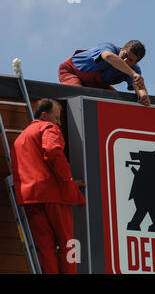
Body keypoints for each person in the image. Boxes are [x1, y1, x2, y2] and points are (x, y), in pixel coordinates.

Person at [10, 99, 86, 274]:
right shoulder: (48, 128)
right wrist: (68, 181)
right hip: (54, 196)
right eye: (57, 118)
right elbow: (53, 152)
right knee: (69, 244)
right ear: (44, 116)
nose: (59, 123)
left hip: (31, 199)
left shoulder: (20, 139)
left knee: (45, 247)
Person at [58, 40, 150, 106]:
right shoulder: (109, 47)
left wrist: (143, 95)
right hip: (72, 71)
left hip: (95, 84)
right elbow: (108, 56)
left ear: (135, 63)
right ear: (122, 49)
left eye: (130, 60)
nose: (125, 60)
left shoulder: (134, 70)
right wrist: (132, 74)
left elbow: (138, 85)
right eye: (125, 55)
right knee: (78, 97)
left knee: (117, 104)